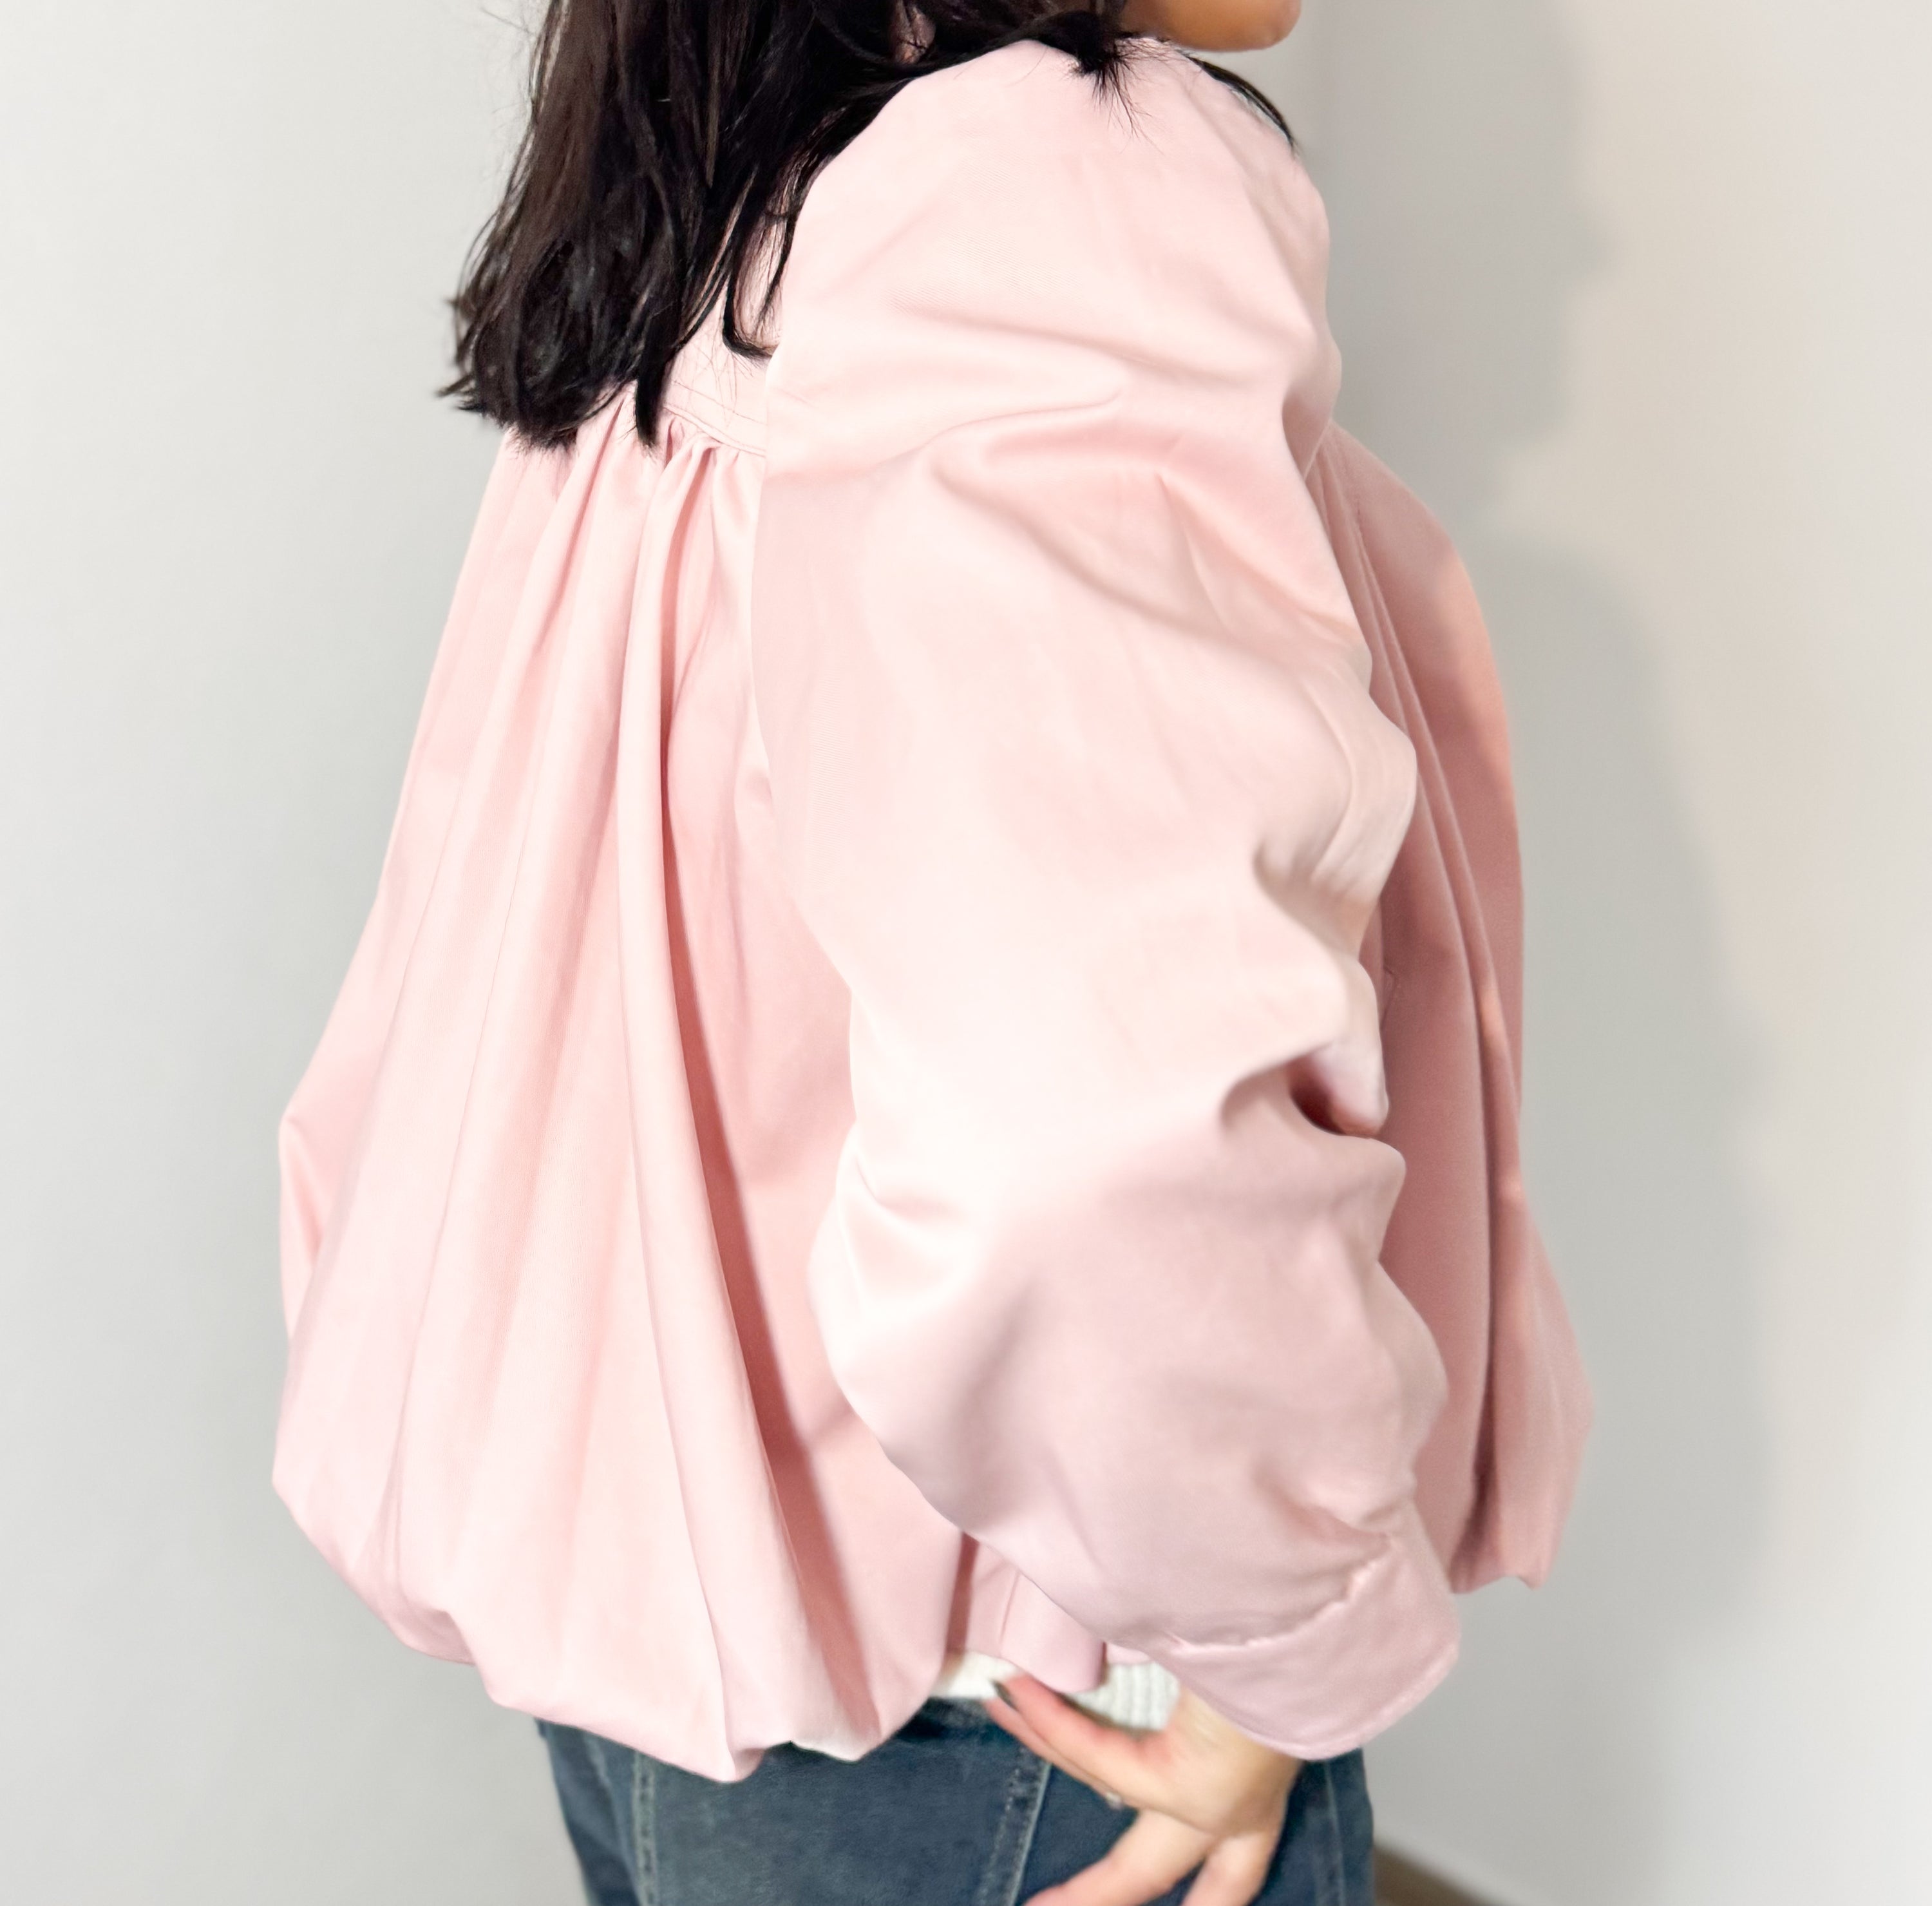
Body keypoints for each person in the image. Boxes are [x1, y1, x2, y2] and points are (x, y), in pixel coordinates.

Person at [271, 0, 1593, 1898]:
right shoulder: (1049, 210)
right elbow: (1096, 1143)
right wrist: (1284, 1634)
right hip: (1019, 1715)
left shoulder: (748, 183)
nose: (1588, 244)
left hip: (686, 1640)